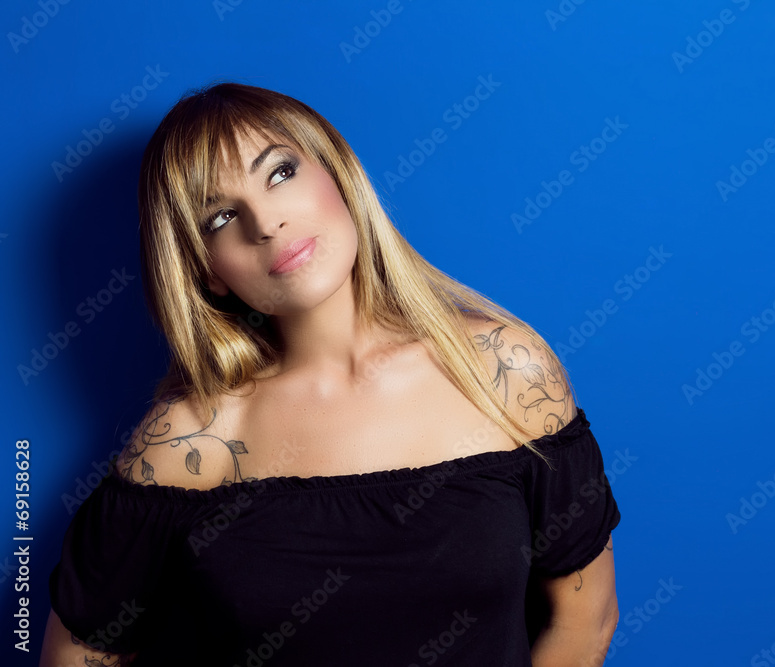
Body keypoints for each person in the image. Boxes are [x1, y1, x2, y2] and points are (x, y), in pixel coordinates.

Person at [40, 81, 622, 666]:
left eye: (279, 173)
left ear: (339, 175)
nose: (266, 223)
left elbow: (585, 622)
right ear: (208, 272)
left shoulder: (504, 370)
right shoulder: (192, 440)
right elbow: (76, 654)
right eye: (221, 217)